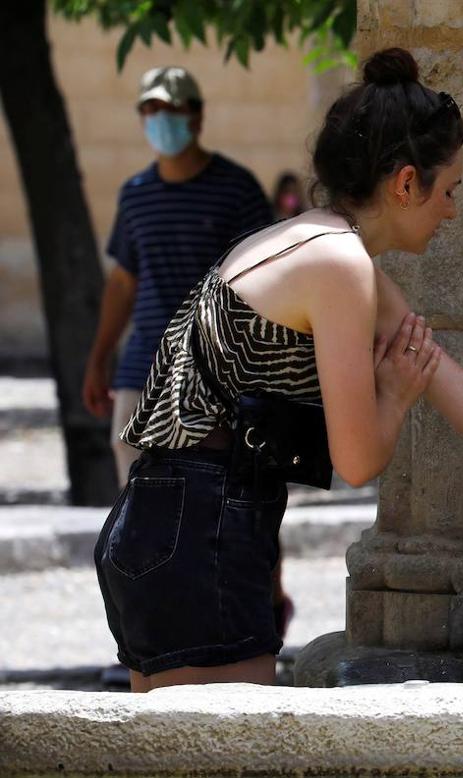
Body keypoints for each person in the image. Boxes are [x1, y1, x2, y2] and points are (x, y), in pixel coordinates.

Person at [94, 48, 463, 693]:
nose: (452, 210)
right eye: (449, 190)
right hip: (200, 527)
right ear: (405, 183)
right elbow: (358, 458)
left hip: (162, 522)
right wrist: (394, 396)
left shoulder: (316, 244)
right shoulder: (338, 265)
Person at [82, 65, 274, 486]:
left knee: (216, 485)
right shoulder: (135, 195)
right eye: (150, 108)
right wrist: (98, 361)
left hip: (215, 368)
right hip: (141, 364)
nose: (160, 117)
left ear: (197, 117)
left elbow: (265, 279)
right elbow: (122, 282)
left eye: (170, 107)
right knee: (135, 472)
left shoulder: (236, 189)